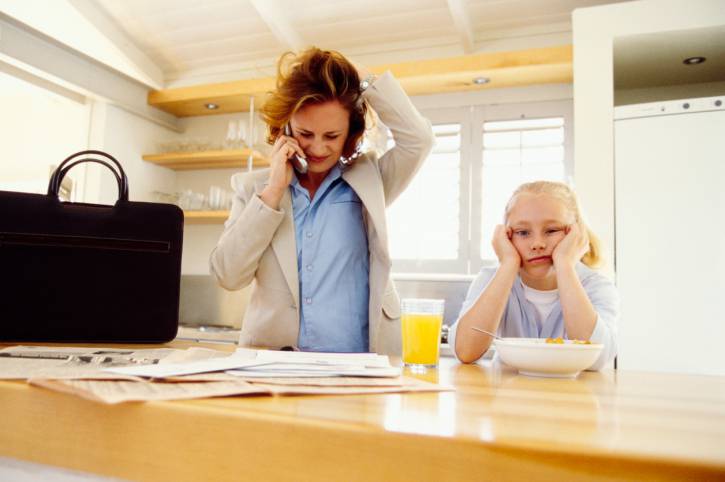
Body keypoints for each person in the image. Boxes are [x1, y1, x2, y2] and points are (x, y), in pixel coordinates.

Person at [210, 47, 434, 354]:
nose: (317, 147)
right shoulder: (253, 189)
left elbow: (419, 139)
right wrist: (273, 191)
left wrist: (361, 81)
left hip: (358, 362)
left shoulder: (371, 181)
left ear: (349, 135)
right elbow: (228, 275)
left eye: (331, 136)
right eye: (305, 133)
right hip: (275, 363)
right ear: (286, 127)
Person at [449, 181, 618, 370]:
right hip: (509, 396)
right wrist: (508, 265)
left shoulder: (595, 285)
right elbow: (465, 351)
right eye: (522, 232)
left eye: (552, 230)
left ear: (576, 234)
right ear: (506, 236)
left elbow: (597, 359)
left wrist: (565, 264)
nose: (537, 243)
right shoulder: (492, 279)